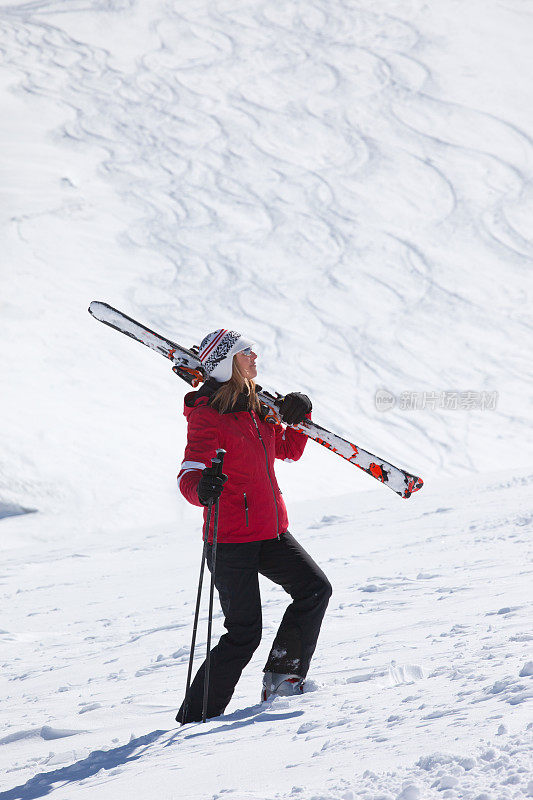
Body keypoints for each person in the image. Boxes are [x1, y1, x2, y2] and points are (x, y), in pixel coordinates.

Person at [175, 328, 332, 724]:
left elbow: (288, 449)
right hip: (229, 539)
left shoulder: (257, 407)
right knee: (244, 633)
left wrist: (299, 415)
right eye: (247, 352)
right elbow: (189, 475)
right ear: (229, 362)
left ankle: (282, 679)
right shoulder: (208, 415)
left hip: (270, 530)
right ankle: (195, 717)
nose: (255, 356)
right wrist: (202, 489)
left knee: (314, 589)